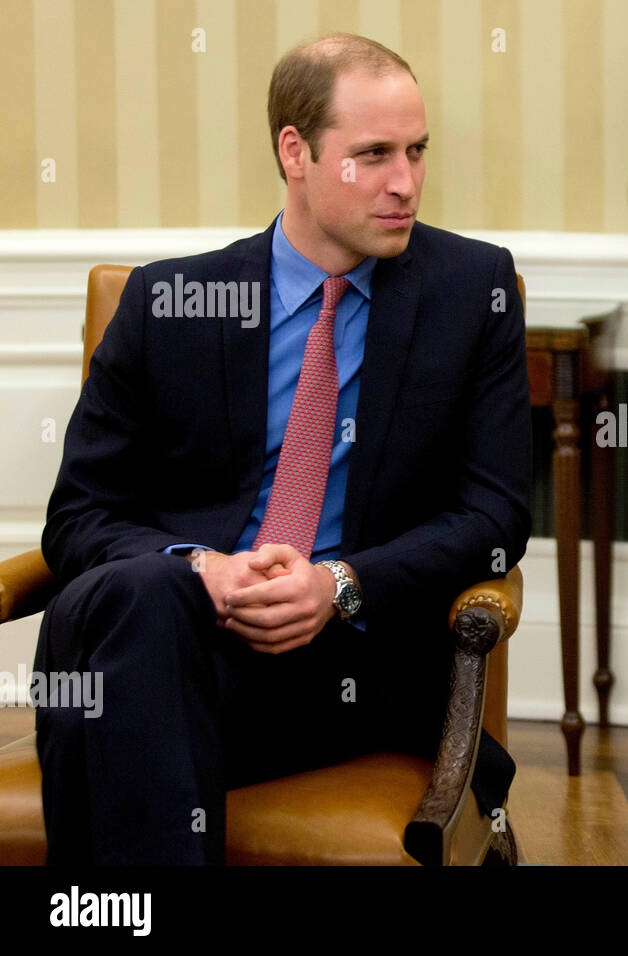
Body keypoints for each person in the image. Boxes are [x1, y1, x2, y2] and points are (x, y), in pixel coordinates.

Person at [34, 33, 531, 864]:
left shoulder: (469, 293)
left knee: (115, 680)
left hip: (348, 675)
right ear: (294, 152)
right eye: (372, 155)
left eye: (416, 152)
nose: (405, 182)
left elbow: (494, 516)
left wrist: (338, 584)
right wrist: (205, 570)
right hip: (180, 645)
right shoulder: (172, 303)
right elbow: (78, 518)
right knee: (146, 605)